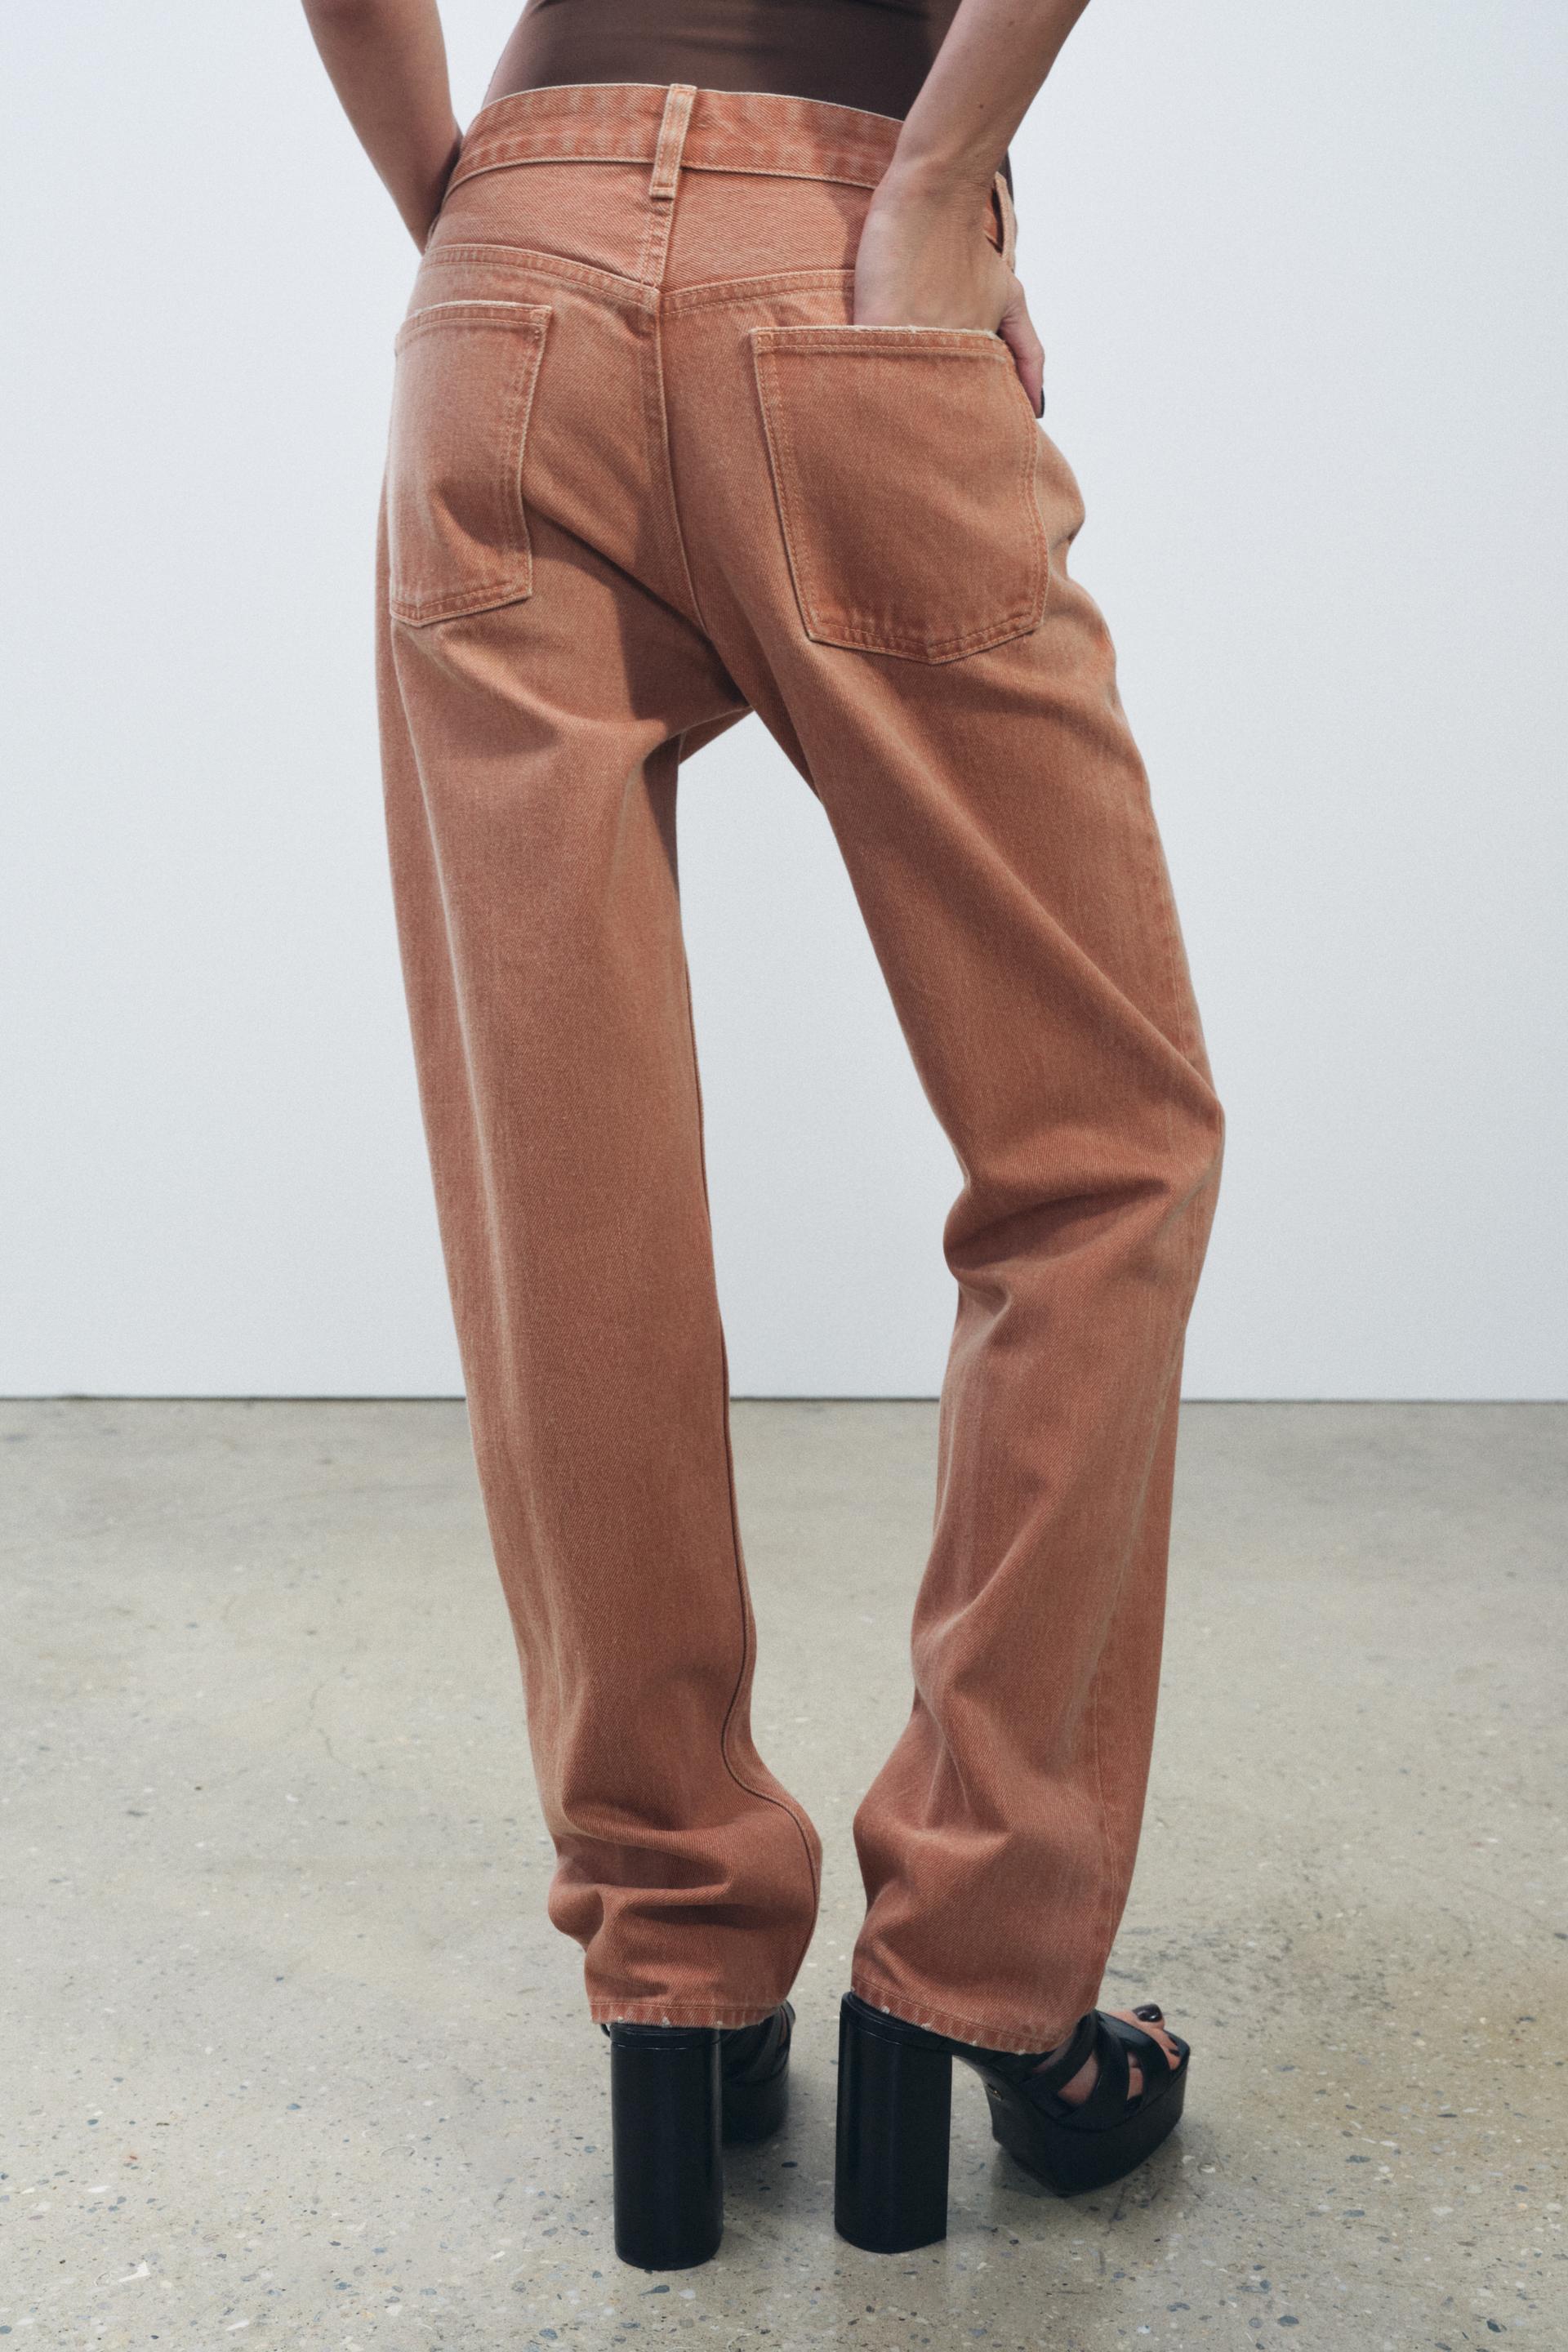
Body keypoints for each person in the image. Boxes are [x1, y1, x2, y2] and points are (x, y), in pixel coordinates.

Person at [301, 0, 1224, 2270]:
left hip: (504, 282)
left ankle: (679, 1962)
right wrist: (941, 181)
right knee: (1100, 1143)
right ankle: (976, 1969)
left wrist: (467, 213)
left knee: (563, 1189)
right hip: (845, 244)